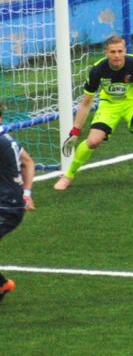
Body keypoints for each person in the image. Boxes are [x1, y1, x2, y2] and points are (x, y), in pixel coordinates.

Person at [53, 35, 133, 190]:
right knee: (93, 141)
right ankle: (68, 176)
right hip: (110, 105)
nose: (116, 55)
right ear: (106, 53)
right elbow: (86, 102)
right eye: (113, 52)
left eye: (120, 51)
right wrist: (75, 131)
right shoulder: (97, 70)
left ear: (125, 51)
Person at [0, 103, 36, 303]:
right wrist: (27, 193)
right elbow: (28, 162)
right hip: (11, 202)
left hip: (6, 206)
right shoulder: (6, 139)